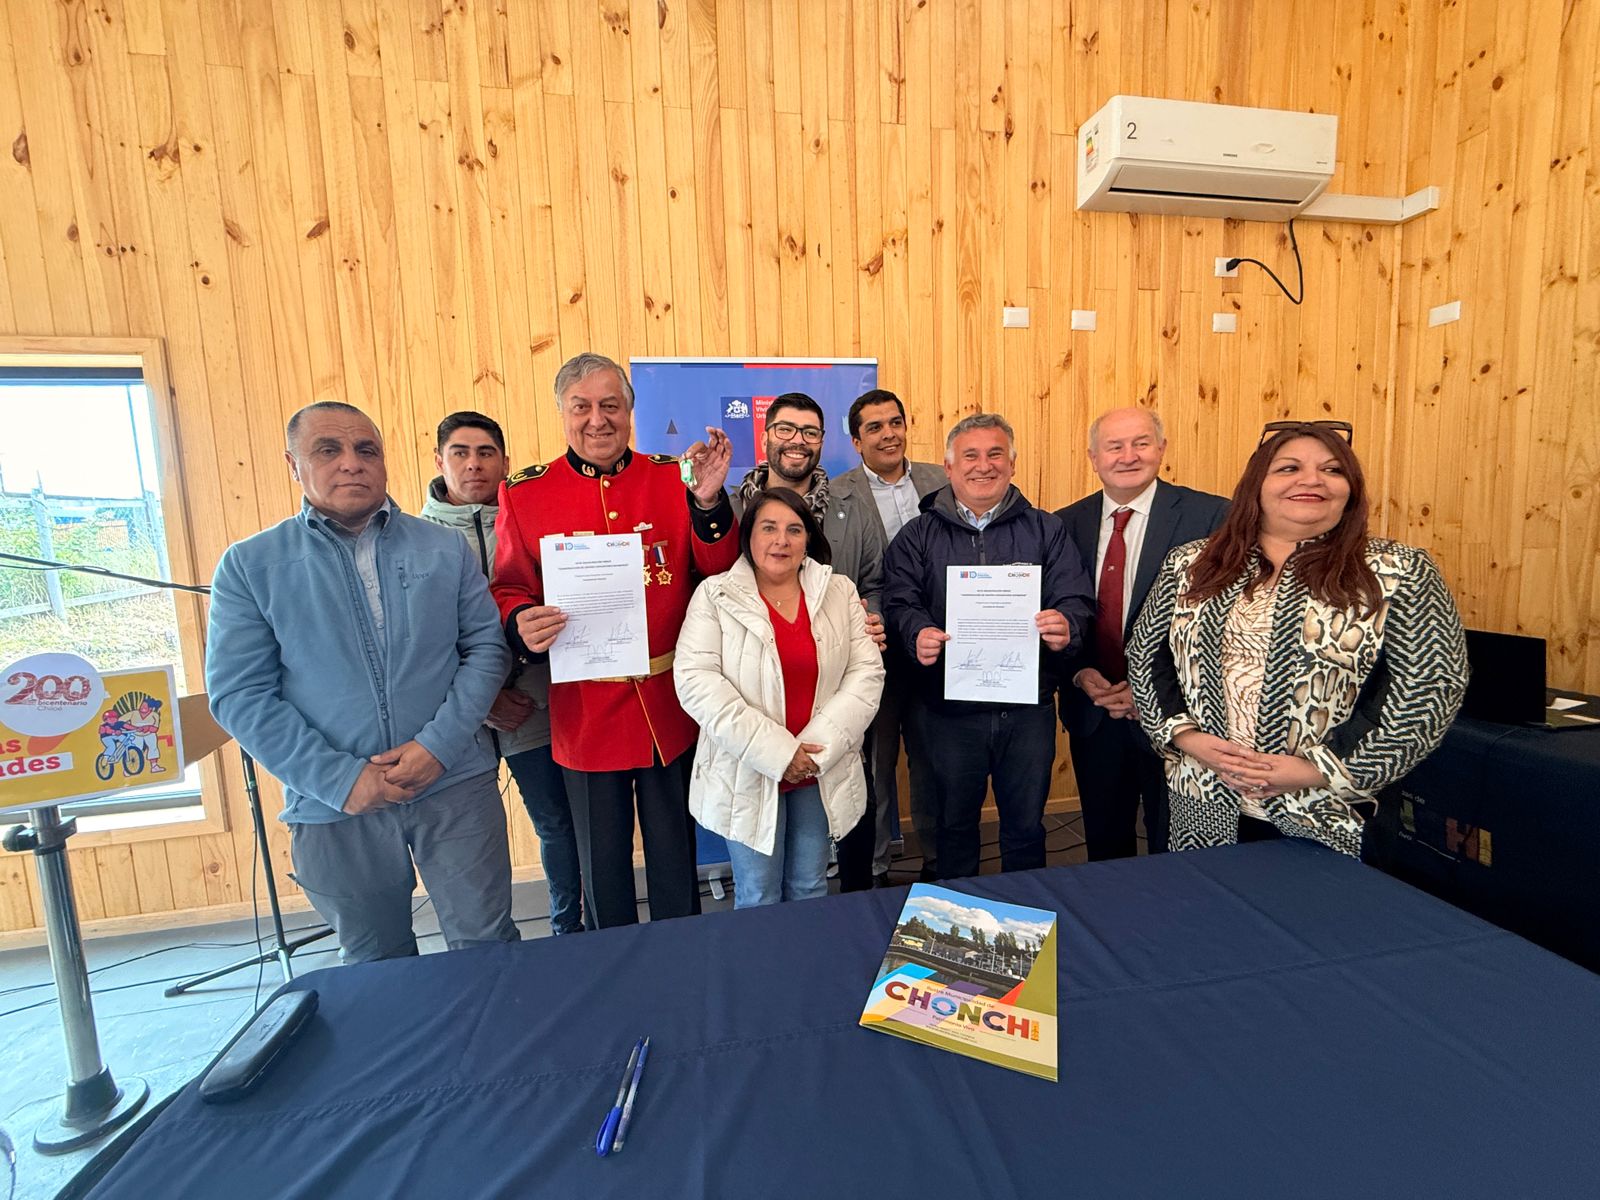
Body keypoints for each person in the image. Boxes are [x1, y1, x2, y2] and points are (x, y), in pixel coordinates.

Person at [207, 402, 518, 964]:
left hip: (454, 785)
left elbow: (485, 649)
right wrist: (340, 779)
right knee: (377, 962)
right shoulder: (250, 566)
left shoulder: (442, 549)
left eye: (366, 450)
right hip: (334, 804)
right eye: (328, 450)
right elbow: (239, 694)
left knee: (486, 946)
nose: (351, 464)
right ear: (293, 465)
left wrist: (436, 748)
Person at [1126, 421, 1469, 857]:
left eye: (1332, 470)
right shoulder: (1193, 563)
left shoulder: (1396, 571)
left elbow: (1430, 689)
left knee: (1317, 921)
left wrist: (1315, 769)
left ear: (1351, 488)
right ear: (1257, 485)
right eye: (1288, 468)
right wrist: (1187, 737)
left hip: (1327, 807)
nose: (1311, 480)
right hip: (1204, 792)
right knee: (1208, 916)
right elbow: (1145, 656)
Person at [491, 353, 739, 928]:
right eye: (582, 407)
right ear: (562, 413)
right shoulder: (527, 493)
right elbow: (507, 585)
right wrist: (520, 618)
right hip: (586, 710)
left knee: (676, 855)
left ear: (630, 412)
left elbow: (720, 570)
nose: (597, 420)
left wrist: (707, 503)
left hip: (667, 702)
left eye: (611, 406)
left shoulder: (668, 477)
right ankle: (614, 965)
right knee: (600, 864)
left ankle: (683, 957)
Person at [881, 413, 1094, 880]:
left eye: (995, 454)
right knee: (952, 829)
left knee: (1025, 828)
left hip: (1027, 711)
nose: (984, 465)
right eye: (970, 456)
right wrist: (916, 631)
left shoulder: (1046, 529)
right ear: (949, 467)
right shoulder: (917, 534)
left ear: (1013, 464)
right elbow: (899, 599)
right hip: (947, 712)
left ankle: (1028, 925)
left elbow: (1075, 597)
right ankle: (955, 934)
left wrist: (1068, 624)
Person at [675, 490, 884, 906]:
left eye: (794, 529)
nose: (781, 541)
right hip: (749, 770)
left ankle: (805, 971)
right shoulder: (715, 596)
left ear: (809, 538)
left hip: (817, 767)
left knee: (811, 887)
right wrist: (779, 754)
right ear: (748, 536)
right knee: (758, 893)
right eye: (768, 528)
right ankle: (760, 972)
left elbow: (866, 673)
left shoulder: (838, 591)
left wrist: (812, 751)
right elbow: (696, 681)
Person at [421, 411, 586, 935]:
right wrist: (481, 700)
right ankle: (484, 944)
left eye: (486, 453)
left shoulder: (536, 517)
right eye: (461, 453)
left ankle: (567, 926)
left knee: (555, 822)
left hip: (531, 705)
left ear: (505, 462)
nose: (474, 464)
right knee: (465, 836)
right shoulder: (414, 538)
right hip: (453, 717)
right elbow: (421, 641)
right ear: (440, 460)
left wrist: (513, 686)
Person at [732, 390, 888, 891]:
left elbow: (874, 581)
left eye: (810, 432)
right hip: (754, 705)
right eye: (786, 429)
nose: (797, 441)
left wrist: (876, 617)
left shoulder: (852, 506)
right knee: (761, 883)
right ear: (766, 436)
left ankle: (857, 902)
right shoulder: (731, 503)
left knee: (821, 862)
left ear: (823, 441)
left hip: (834, 701)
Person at [1055, 407, 1227, 860]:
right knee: (1104, 844)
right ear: (1093, 457)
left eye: (1141, 443)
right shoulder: (1063, 524)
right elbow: (1056, 612)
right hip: (1094, 710)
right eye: (1114, 446)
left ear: (1162, 449)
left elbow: (1221, 624)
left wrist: (1151, 691)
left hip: (1177, 715)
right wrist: (1077, 672)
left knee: (1175, 844)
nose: (1128, 456)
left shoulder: (1209, 517)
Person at [833, 388, 946, 883]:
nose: (888, 434)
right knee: (874, 770)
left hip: (938, 649)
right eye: (874, 427)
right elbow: (842, 579)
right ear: (857, 441)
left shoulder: (941, 481)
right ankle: (875, 868)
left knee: (933, 761)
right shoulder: (837, 497)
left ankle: (940, 862)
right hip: (875, 649)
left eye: (895, 422)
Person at [125, 697, 166, 773]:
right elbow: (120, 721)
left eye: (145, 706)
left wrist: (148, 727)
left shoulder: (155, 715)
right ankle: (128, 769)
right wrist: (132, 727)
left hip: (149, 734)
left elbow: (155, 728)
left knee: (153, 747)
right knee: (135, 750)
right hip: (135, 734)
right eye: (142, 705)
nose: (142, 707)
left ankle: (154, 766)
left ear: (150, 708)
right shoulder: (133, 713)